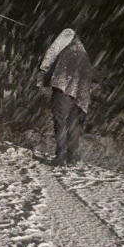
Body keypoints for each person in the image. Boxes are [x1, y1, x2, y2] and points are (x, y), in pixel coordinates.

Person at [37, 28, 93, 166]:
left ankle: (60, 156)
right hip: (81, 91)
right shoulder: (83, 52)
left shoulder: (67, 36)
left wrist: (42, 71)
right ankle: (71, 157)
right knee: (73, 123)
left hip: (64, 86)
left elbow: (52, 52)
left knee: (60, 120)